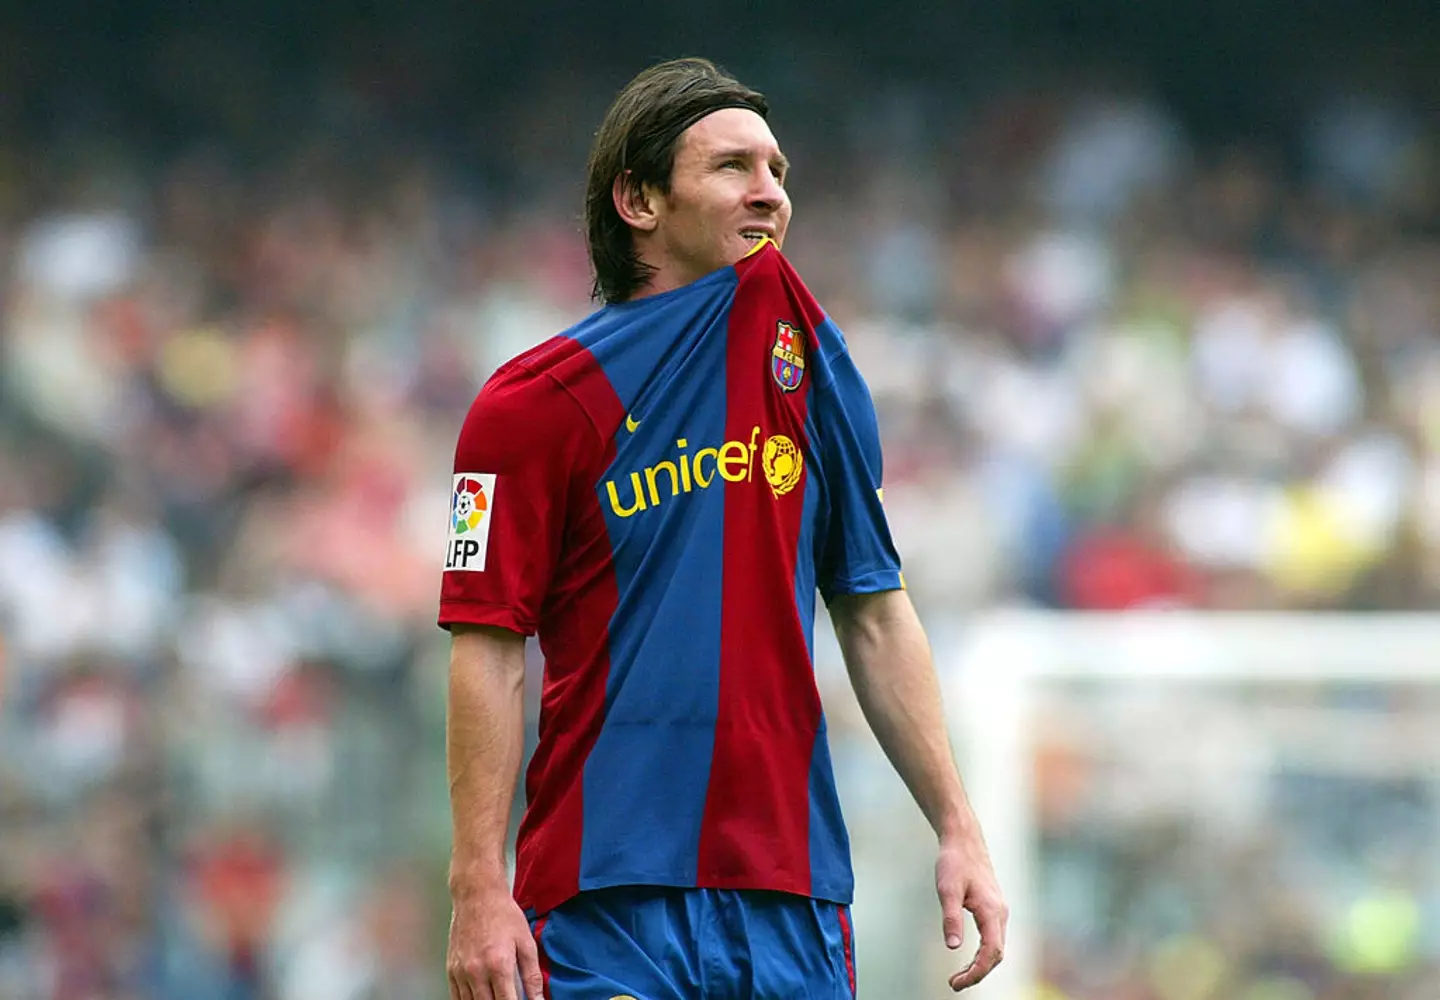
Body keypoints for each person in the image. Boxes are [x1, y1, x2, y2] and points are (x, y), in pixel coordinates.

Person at [438, 57, 1007, 1000]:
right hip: (604, 896)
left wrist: (959, 824)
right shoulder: (528, 405)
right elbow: (486, 648)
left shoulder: (814, 368)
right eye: (734, 168)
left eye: (779, 172)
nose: (770, 195)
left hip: (794, 895)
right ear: (638, 198)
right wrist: (476, 883)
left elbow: (873, 609)